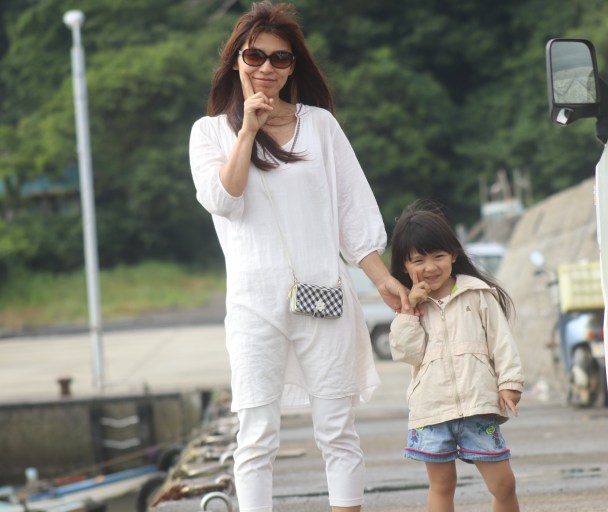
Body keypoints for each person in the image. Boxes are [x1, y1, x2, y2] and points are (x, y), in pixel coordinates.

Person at [188, 3, 411, 511]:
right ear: (236, 61)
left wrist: (381, 279)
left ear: (293, 67)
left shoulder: (320, 126)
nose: (266, 67)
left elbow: (352, 209)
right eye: (255, 56)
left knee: (337, 429)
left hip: (323, 293)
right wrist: (248, 130)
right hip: (254, 305)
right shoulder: (210, 132)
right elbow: (224, 198)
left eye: (280, 58)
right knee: (256, 434)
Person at [388, 203, 525, 512]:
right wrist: (409, 310)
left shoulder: (477, 293)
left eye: (438, 256)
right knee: (442, 485)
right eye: (419, 260)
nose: (430, 267)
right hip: (432, 411)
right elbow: (407, 353)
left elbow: (502, 342)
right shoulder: (410, 307)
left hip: (479, 405)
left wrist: (510, 382)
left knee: (504, 484)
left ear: (453, 254)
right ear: (405, 267)